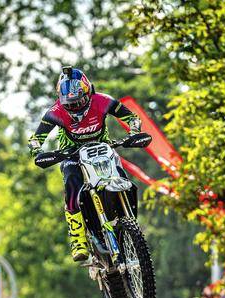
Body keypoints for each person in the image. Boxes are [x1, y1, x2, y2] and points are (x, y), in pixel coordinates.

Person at [28, 66, 142, 261]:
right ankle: (78, 240)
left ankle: (128, 220)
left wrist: (134, 132)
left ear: (88, 92)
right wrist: (37, 152)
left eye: (80, 101)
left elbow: (132, 118)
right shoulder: (55, 112)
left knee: (122, 176)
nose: (76, 107)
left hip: (104, 148)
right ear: (61, 100)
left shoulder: (104, 101)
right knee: (72, 182)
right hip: (71, 155)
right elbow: (35, 139)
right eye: (70, 104)